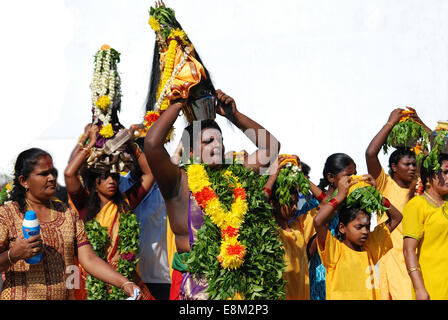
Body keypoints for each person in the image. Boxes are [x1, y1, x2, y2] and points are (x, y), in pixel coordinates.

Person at [144, 89, 281, 299]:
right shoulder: (179, 181)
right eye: (208, 142)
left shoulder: (234, 174)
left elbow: (271, 147)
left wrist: (234, 116)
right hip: (192, 288)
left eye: (220, 140)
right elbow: (152, 145)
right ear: (190, 151)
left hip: (233, 285)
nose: (217, 145)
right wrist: (179, 104)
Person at [0, 148, 141, 300]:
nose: (52, 178)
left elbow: (89, 259)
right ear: (24, 181)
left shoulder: (68, 214)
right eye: (43, 173)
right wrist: (13, 255)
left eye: (53, 172)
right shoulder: (7, 214)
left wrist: (124, 283)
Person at [64, 125, 155, 300]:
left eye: (114, 175)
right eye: (105, 175)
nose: (111, 180)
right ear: (94, 179)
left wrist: (130, 143)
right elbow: (69, 174)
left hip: (126, 280)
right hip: (93, 284)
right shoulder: (83, 204)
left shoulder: (126, 202)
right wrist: (88, 143)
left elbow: (150, 173)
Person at [365, 108, 431, 300]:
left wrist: (420, 124)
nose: (412, 168)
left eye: (414, 164)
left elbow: (441, 152)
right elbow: (370, 154)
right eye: (407, 165)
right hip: (391, 260)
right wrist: (390, 123)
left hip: (417, 260)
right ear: (394, 167)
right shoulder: (384, 184)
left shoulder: (422, 187)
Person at [313, 174, 402, 300]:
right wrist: (339, 197)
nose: (365, 231)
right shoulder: (334, 251)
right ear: (342, 227)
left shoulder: (370, 246)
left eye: (367, 226)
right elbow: (318, 221)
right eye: (359, 227)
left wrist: (377, 195)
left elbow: (397, 217)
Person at [118, 137, 171, 300]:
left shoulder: (169, 186)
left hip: (163, 276)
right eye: (140, 157)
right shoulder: (120, 185)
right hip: (130, 278)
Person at [262, 155, 317, 300]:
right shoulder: (267, 230)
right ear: (273, 203)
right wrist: (273, 176)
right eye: (289, 202)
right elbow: (259, 206)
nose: (294, 207)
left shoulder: (299, 228)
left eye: (296, 202)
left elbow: (328, 204)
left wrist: (303, 179)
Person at [307, 153, 357, 300]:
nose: (353, 180)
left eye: (355, 174)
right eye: (348, 175)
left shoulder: (350, 206)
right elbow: (308, 251)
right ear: (331, 178)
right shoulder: (313, 207)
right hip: (322, 278)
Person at [403, 154, 448, 300]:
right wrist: (419, 289)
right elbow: (408, 250)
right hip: (432, 284)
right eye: (446, 172)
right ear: (429, 176)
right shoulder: (417, 205)